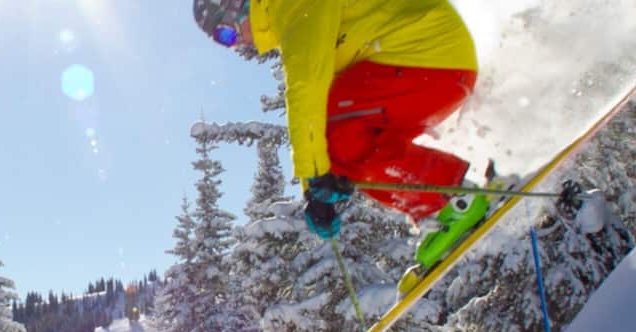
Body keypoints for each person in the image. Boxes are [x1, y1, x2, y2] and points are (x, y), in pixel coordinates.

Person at [193, 0, 492, 273]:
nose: (237, 44)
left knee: (337, 128)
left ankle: (453, 199)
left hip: (426, 55)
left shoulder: (291, 5)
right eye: (225, 43)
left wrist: (313, 177)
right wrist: (317, 187)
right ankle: (440, 209)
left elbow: (307, 90)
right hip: (431, 69)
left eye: (227, 35)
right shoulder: (291, 18)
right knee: (346, 149)